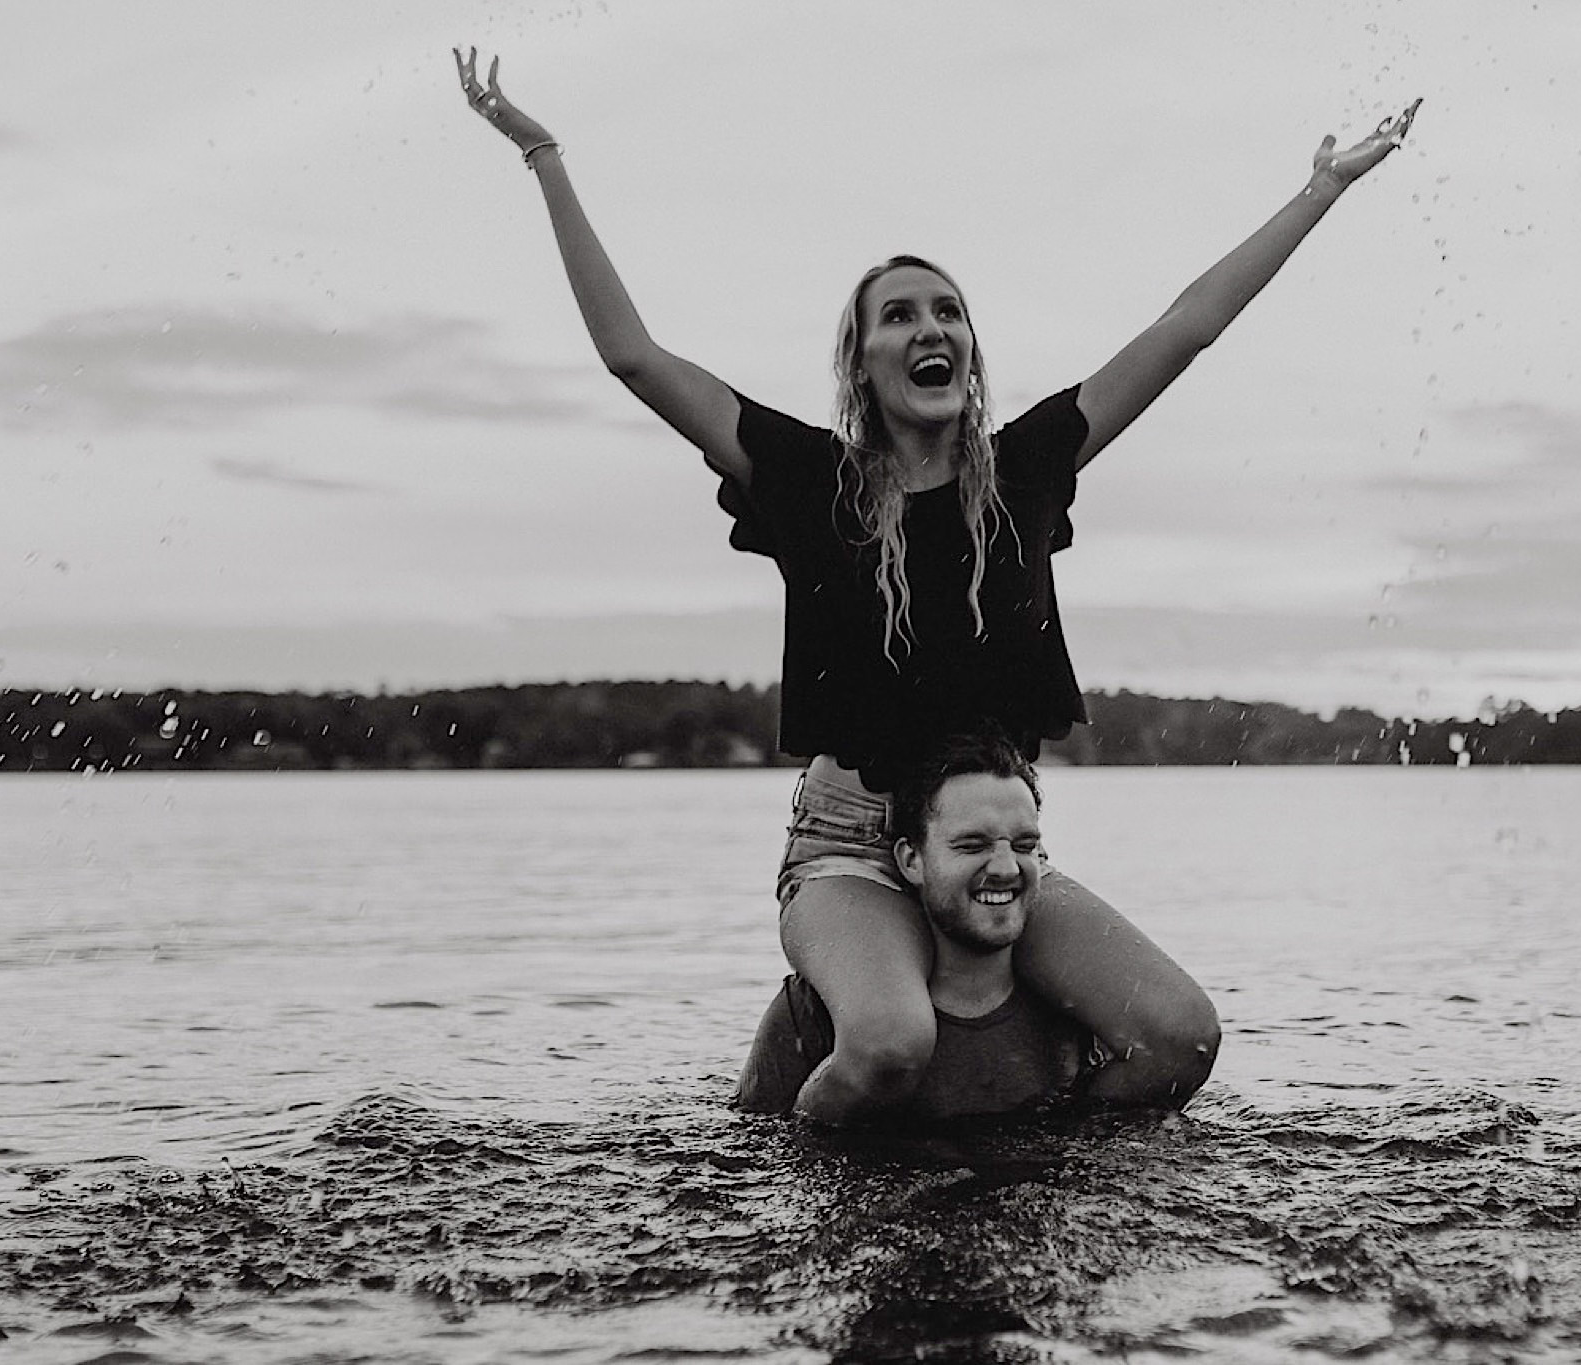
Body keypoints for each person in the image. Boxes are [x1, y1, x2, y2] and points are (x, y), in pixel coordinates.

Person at [454, 49, 1419, 1123]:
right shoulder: (807, 479)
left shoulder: (1028, 470)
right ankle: (792, 1192)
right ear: (861, 360)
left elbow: (1183, 330)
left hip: (985, 842)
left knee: (1179, 1034)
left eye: (948, 313)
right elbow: (633, 356)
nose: (930, 330)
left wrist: (1318, 190)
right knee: (888, 1043)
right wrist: (542, 155)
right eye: (899, 316)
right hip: (852, 842)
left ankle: (1023, 1176)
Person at [737, 730, 1102, 1121]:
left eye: (1025, 846)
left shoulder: (1079, 1018)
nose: (1005, 868)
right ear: (912, 861)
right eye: (971, 846)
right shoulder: (816, 1017)